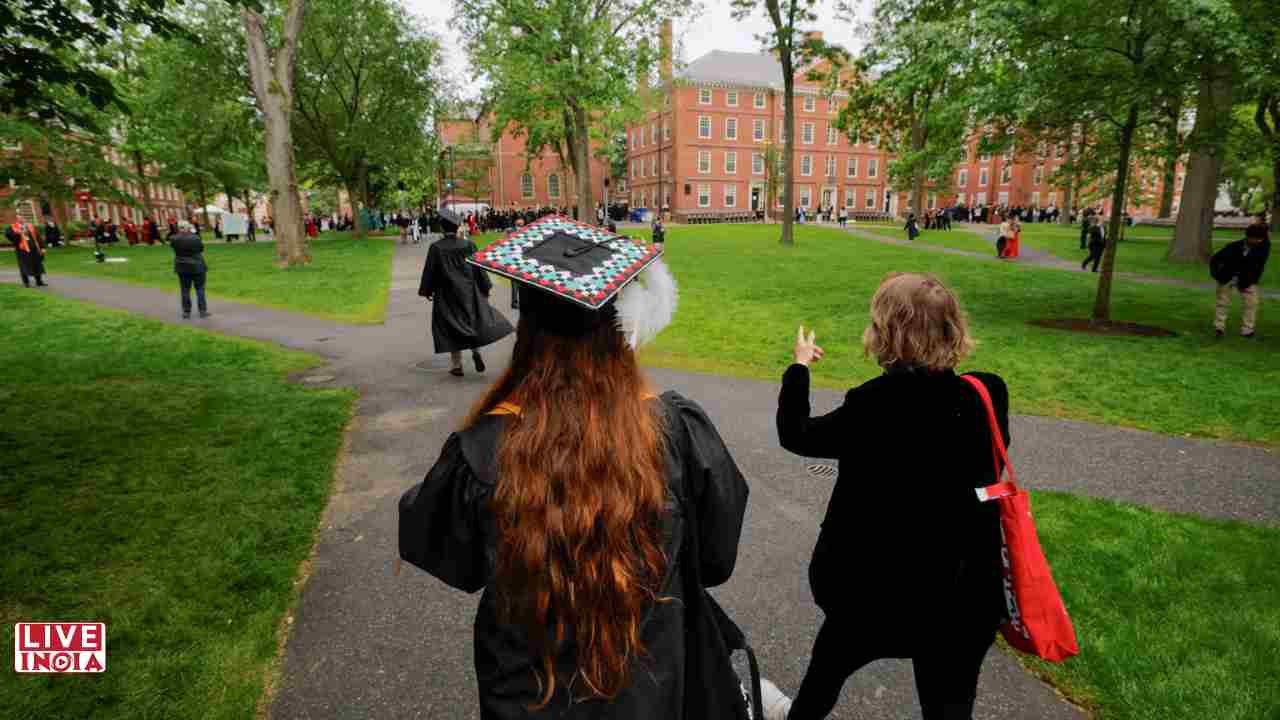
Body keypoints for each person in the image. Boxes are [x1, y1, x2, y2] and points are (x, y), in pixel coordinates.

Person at [399, 218, 754, 718]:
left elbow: (439, 552)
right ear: (617, 325)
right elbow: (715, 560)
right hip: (653, 692)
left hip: (530, 697)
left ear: (528, 331)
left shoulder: (484, 450)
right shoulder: (673, 431)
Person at [765, 273, 1008, 720]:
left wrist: (799, 367)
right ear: (952, 327)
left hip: (872, 593)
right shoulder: (986, 393)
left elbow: (796, 434)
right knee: (949, 707)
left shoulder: (870, 405)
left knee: (823, 680)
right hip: (961, 594)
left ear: (886, 333)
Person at [418, 208, 513, 376]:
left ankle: (457, 365)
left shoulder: (436, 248)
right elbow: (479, 268)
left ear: (442, 228)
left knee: (451, 326)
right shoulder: (468, 245)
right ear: (457, 228)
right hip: (469, 290)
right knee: (471, 321)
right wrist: (485, 287)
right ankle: (475, 351)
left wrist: (427, 290)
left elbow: (431, 270)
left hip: (447, 293)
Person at [1210, 215, 1270, 339]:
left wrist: (1252, 280)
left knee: (1252, 303)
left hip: (1247, 279)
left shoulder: (1263, 247)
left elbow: (1258, 266)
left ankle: (1247, 330)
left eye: (1260, 239)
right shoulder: (1233, 247)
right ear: (1248, 237)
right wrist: (1217, 274)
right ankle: (1219, 328)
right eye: (1255, 239)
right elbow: (1215, 259)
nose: (1258, 241)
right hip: (1227, 276)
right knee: (1222, 302)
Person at [170, 225, 209, 319]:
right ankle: (202, 310)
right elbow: (201, 249)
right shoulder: (196, 238)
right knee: (200, 289)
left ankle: (186, 312)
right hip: (197, 265)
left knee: (185, 290)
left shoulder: (174, 239)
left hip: (182, 266)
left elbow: (174, 248)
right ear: (188, 229)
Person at [6, 220, 47, 287]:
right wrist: (18, 233)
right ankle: (26, 283)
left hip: (34, 250)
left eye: (22, 217)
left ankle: (39, 281)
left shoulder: (30, 226)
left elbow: (38, 237)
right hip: (22, 251)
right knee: (24, 267)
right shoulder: (13, 227)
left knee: (37, 265)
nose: (21, 219)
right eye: (19, 217)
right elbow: (9, 236)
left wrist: (42, 247)